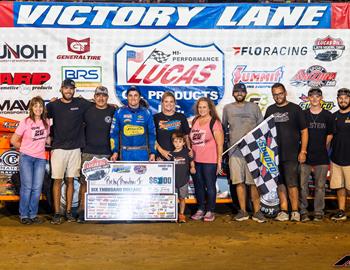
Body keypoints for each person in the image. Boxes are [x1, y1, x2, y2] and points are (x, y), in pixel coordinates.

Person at [46, 79, 92, 224]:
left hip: (75, 148)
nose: (69, 91)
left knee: (71, 180)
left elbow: (98, 104)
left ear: (74, 90)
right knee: (57, 181)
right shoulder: (53, 105)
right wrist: (47, 135)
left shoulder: (81, 104)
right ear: (61, 89)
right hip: (58, 148)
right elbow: (42, 118)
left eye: (71, 89)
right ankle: (57, 213)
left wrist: (112, 105)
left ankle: (68, 213)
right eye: (66, 88)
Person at [222, 83, 266, 223]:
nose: (239, 93)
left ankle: (257, 211)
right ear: (233, 93)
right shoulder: (227, 108)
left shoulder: (254, 107)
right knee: (239, 182)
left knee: (253, 183)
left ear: (246, 93)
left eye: (242, 91)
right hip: (235, 152)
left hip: (252, 151)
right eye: (237, 91)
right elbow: (224, 128)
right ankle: (243, 211)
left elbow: (262, 128)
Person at [265, 83, 308, 222]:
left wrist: (303, 151)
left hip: (291, 154)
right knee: (280, 184)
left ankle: (295, 211)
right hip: (275, 155)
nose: (278, 96)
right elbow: (264, 131)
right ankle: (284, 210)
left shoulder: (295, 109)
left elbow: (304, 131)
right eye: (275, 94)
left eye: (280, 93)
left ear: (285, 93)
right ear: (272, 95)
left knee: (292, 183)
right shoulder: (270, 110)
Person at [77, 86, 116, 223]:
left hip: (106, 153)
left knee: (105, 184)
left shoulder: (113, 110)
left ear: (107, 98)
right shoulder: (87, 110)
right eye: (98, 95)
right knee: (85, 183)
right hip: (88, 152)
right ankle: (82, 211)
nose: (101, 98)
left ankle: (104, 212)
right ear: (94, 97)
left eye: (103, 96)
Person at [11, 96, 50, 225]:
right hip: (26, 158)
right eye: (35, 106)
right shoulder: (25, 122)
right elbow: (13, 140)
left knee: (37, 188)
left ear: (43, 108)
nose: (38, 108)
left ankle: (33, 214)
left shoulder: (46, 122)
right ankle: (24, 215)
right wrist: (24, 149)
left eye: (40, 106)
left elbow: (46, 140)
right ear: (31, 108)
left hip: (40, 159)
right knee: (27, 187)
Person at [299, 88, 333, 222]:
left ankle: (319, 211)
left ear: (321, 98)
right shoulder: (303, 115)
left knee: (320, 187)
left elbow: (330, 134)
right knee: (302, 185)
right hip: (305, 156)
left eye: (317, 96)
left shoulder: (328, 115)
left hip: (322, 157)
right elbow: (299, 133)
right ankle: (303, 211)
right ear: (308, 98)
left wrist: (320, 146)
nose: (314, 99)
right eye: (311, 96)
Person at [190, 97, 224, 222]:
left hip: (210, 161)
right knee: (198, 186)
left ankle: (210, 210)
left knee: (209, 186)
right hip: (196, 160)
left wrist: (219, 162)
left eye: (204, 107)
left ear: (210, 108)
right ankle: (200, 209)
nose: (202, 109)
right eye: (200, 107)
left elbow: (220, 144)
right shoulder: (195, 120)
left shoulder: (215, 122)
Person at [110, 86, 156, 161]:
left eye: (135, 95)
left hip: (142, 153)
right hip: (125, 153)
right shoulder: (119, 112)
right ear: (127, 97)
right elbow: (114, 133)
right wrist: (115, 151)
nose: (133, 98)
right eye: (130, 95)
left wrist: (152, 153)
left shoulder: (147, 113)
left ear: (139, 97)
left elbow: (152, 134)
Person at [330, 88, 350, 221]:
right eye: (340, 98)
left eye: (346, 98)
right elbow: (329, 137)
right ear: (337, 99)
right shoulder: (334, 116)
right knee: (340, 186)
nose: (343, 101)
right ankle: (341, 211)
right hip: (336, 158)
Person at [154, 91, 191, 160]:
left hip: (179, 156)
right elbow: (152, 138)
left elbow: (186, 136)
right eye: (166, 101)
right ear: (162, 103)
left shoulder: (181, 117)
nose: (169, 104)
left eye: (171, 101)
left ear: (175, 103)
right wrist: (162, 152)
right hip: (161, 156)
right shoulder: (156, 118)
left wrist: (189, 149)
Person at [170, 132, 196, 223]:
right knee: (173, 198)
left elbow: (191, 161)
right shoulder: (171, 154)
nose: (177, 143)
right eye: (175, 141)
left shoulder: (186, 152)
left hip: (184, 180)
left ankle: (181, 214)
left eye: (180, 141)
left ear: (184, 143)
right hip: (173, 181)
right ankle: (173, 214)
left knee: (182, 198)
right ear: (173, 143)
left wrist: (192, 167)